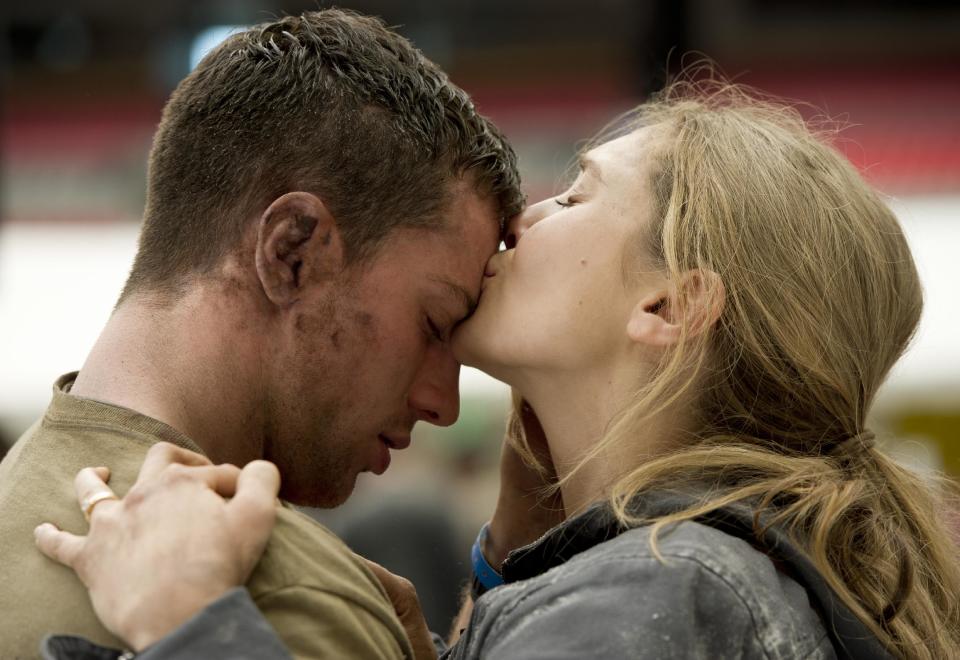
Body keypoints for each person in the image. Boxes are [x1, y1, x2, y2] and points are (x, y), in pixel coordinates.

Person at [38, 79, 960, 659]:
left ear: (668, 306)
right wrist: (510, 573)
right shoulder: (688, 575)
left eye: (578, 192)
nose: (525, 218)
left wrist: (190, 621)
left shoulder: (666, 589)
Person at [0, 8, 523, 659]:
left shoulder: (12, 498)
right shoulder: (279, 599)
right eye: (435, 324)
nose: (443, 402)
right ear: (293, 252)